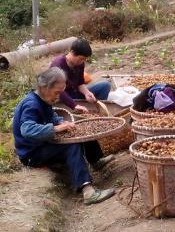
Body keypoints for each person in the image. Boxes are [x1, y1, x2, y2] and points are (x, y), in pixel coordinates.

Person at [13, 67, 115, 205]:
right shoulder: (31, 104)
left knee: (80, 131)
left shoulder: (44, 100)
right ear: (44, 87)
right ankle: (87, 190)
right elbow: (27, 130)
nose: (59, 96)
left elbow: (52, 116)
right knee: (71, 145)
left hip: (43, 144)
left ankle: (96, 160)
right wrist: (55, 128)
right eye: (57, 92)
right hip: (32, 154)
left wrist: (61, 122)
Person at [50, 38, 111, 113]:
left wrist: (87, 93)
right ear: (72, 52)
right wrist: (74, 105)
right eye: (81, 59)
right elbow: (58, 91)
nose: (82, 61)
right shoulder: (58, 64)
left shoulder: (80, 64)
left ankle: (99, 110)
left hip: (75, 93)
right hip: (62, 97)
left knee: (105, 85)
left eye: (84, 59)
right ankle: (77, 109)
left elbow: (80, 83)